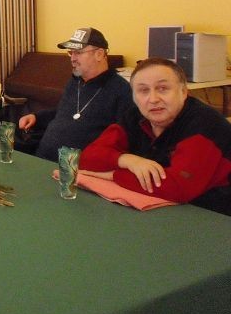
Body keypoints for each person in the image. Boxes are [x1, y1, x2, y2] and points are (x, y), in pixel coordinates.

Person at [80, 58, 231, 215]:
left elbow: (177, 187)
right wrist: (127, 160)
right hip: (160, 209)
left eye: (163, 88)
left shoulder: (205, 124)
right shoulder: (134, 116)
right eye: (143, 90)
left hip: (213, 216)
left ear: (184, 92)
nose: (153, 99)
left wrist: (112, 175)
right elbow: (87, 158)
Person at [18, 27, 133, 162]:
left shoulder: (121, 90)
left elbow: (125, 139)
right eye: (71, 52)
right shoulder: (75, 82)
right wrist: (36, 117)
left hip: (76, 169)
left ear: (99, 54)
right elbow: (64, 114)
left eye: (78, 52)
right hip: (41, 158)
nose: (72, 58)